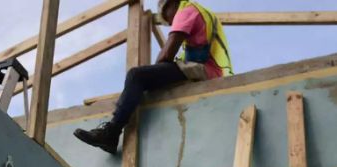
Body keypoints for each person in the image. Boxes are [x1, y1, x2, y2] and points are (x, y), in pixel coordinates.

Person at [72, 0, 233, 154]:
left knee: (136, 76)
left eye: (166, 15)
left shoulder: (187, 11)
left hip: (207, 70)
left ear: (172, 3)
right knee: (143, 83)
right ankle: (115, 126)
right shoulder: (199, 13)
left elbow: (166, 55)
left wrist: (150, 77)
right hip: (210, 70)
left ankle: (111, 132)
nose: (169, 22)